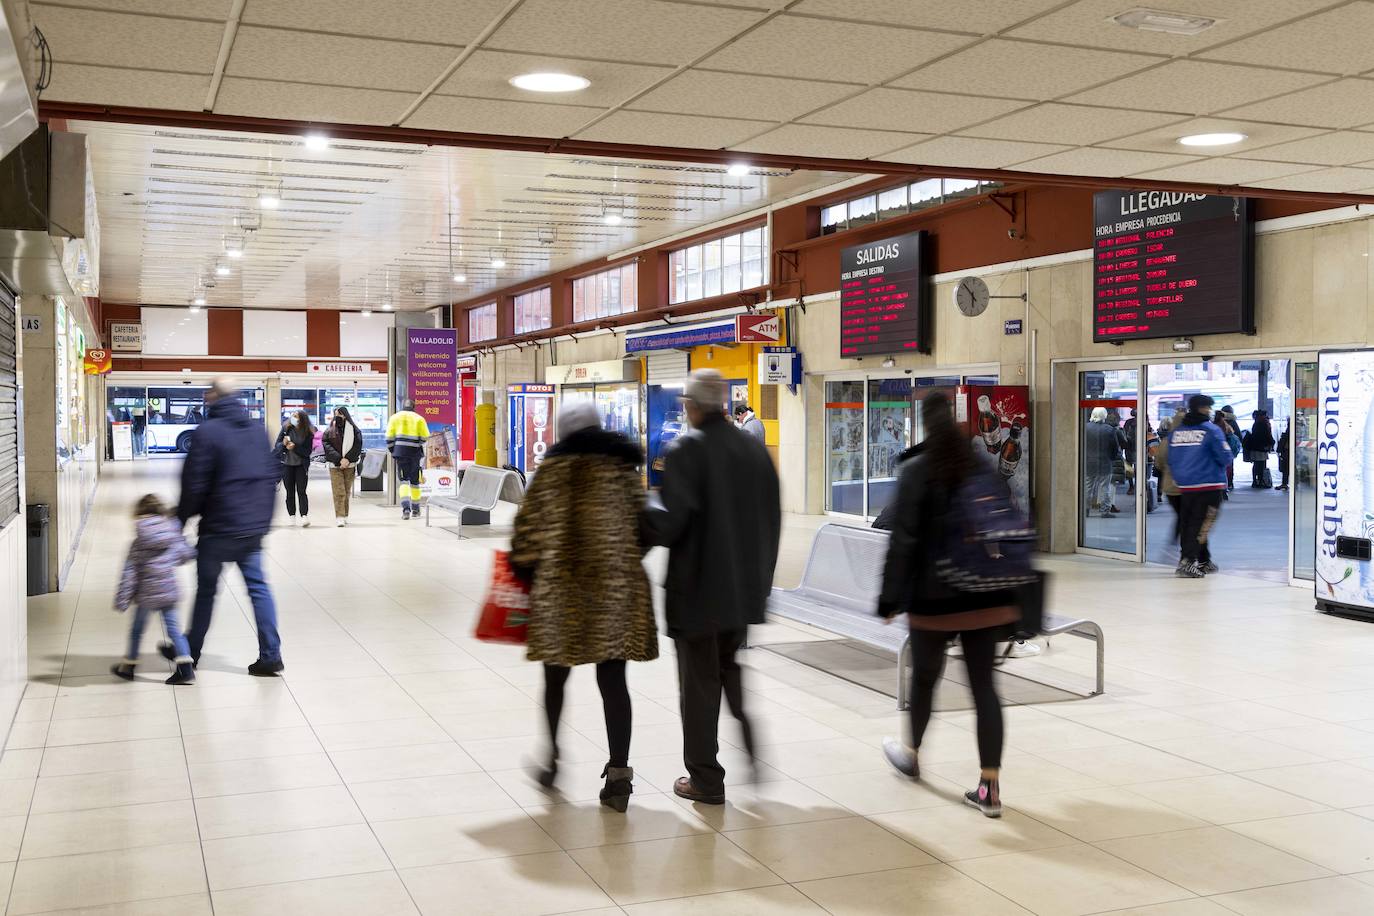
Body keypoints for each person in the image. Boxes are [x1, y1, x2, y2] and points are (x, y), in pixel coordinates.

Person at [509, 402, 658, 812]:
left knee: (555, 681)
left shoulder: (548, 477)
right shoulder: (623, 473)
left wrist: (529, 574)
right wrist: (624, 561)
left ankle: (553, 759)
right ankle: (619, 774)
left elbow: (524, 540)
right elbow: (646, 527)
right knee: (614, 684)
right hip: (616, 593)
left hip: (561, 594)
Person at [877, 393, 1019, 818]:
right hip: (986, 596)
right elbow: (1008, 525)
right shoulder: (981, 466)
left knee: (924, 681)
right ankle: (989, 787)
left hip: (934, 599)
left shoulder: (917, 470)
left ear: (925, 425)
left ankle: (911, 754)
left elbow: (902, 540)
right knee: (984, 690)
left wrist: (889, 598)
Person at [647, 369, 781, 806]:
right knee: (727, 666)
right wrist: (760, 584)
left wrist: (636, 523)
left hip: (698, 592)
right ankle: (747, 730)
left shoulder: (687, 449)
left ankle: (705, 778)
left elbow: (672, 522)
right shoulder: (753, 449)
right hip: (742, 592)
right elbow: (772, 521)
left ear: (693, 405)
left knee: (699, 688)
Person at [177, 378, 284, 675]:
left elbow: (194, 483)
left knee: (206, 591)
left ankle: (190, 654)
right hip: (251, 527)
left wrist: (180, 520)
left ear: (212, 395)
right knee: (259, 589)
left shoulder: (207, 432)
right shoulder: (256, 430)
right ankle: (271, 654)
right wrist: (263, 520)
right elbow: (270, 473)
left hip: (218, 528)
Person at [112, 494, 197, 685]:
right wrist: (181, 537)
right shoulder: (172, 536)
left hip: (146, 595)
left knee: (137, 631)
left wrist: (122, 600)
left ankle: (129, 667)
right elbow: (186, 555)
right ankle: (186, 670)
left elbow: (129, 574)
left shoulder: (138, 543)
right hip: (168, 592)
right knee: (175, 630)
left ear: (139, 514)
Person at [1167, 394, 1231, 578]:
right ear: (1202, 409)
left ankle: (1203, 560)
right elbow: (1225, 457)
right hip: (1209, 484)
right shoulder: (1210, 430)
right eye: (1208, 407)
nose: (1210, 410)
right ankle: (1187, 562)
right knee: (1202, 525)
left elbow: (1171, 459)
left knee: (1189, 523)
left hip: (1185, 486)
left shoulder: (1176, 432)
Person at [386, 399, 430, 520]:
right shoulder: (419, 418)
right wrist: (416, 443)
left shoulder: (394, 418)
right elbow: (425, 436)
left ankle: (406, 509)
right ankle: (416, 509)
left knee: (404, 481)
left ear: (402, 406)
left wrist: (393, 450)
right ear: (413, 406)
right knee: (415, 482)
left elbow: (389, 437)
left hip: (400, 454)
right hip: (415, 454)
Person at [323, 406, 364, 527]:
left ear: (345, 415)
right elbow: (326, 444)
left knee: (346, 491)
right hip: (335, 465)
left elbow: (358, 445)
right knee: (338, 491)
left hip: (350, 465)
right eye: (335, 414)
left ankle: (345, 514)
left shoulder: (355, 430)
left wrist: (347, 459)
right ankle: (339, 516)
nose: (338, 417)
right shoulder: (330, 430)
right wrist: (339, 459)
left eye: (340, 414)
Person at [275, 410, 315, 527]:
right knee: (289, 492)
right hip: (287, 465)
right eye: (293, 416)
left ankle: (304, 516)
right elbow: (277, 446)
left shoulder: (308, 433)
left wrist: (295, 447)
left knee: (302, 491)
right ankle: (292, 516)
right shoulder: (286, 429)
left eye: (296, 416)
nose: (294, 418)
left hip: (301, 466)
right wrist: (283, 444)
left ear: (302, 419)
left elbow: (307, 452)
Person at [1084, 407, 1120, 518]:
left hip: (1088, 462)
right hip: (1105, 462)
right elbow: (1115, 447)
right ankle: (1105, 511)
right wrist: (1112, 458)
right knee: (1105, 487)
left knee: (1088, 487)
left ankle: (1085, 510)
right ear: (1104, 416)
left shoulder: (1085, 427)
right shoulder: (1109, 429)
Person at [1248, 410, 1275, 489]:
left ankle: (1255, 481)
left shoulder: (1256, 423)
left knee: (1256, 465)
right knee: (1261, 465)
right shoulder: (1264, 423)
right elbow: (1267, 435)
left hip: (1255, 447)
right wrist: (1272, 442)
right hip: (1262, 447)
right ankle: (1260, 481)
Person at [1277, 426, 1291, 491]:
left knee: (1285, 467)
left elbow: (1284, 439)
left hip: (1287, 450)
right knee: (1287, 467)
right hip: (1288, 450)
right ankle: (1285, 483)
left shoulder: (1289, 430)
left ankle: (1284, 483)